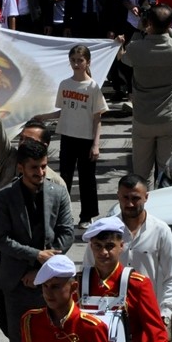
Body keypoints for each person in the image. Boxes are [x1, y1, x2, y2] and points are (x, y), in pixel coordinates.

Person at [0, 141, 75, 342]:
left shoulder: (58, 192)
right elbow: (2, 240)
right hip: (17, 283)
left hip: (51, 280)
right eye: (34, 168)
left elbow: (67, 234)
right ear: (21, 168)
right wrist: (37, 255)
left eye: (43, 167)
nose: (40, 172)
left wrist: (40, 270)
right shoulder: (4, 197)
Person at [79, 218, 169, 342]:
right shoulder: (79, 284)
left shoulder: (137, 284)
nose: (103, 252)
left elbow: (157, 334)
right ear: (91, 247)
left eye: (110, 246)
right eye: (98, 246)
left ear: (122, 246)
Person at [84, 175, 172, 326]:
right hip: (109, 316)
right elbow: (87, 271)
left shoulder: (161, 230)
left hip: (147, 315)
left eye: (135, 198)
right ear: (118, 196)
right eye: (125, 197)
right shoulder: (104, 231)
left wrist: (165, 313)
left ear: (146, 197)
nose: (129, 203)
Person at [35, 45, 108, 227]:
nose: (76, 64)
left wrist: (96, 144)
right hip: (67, 136)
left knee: (87, 179)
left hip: (86, 139)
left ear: (87, 62)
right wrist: (43, 116)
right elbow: (62, 111)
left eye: (80, 60)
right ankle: (62, 215)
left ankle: (87, 215)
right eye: (73, 60)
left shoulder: (92, 87)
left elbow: (97, 117)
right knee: (64, 178)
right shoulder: (65, 84)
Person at [119, 4, 172, 183]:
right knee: (167, 174)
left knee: (142, 176)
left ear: (148, 23)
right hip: (170, 118)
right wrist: (168, 30)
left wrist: (140, 30)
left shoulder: (136, 48)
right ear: (171, 24)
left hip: (144, 119)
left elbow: (123, 57)